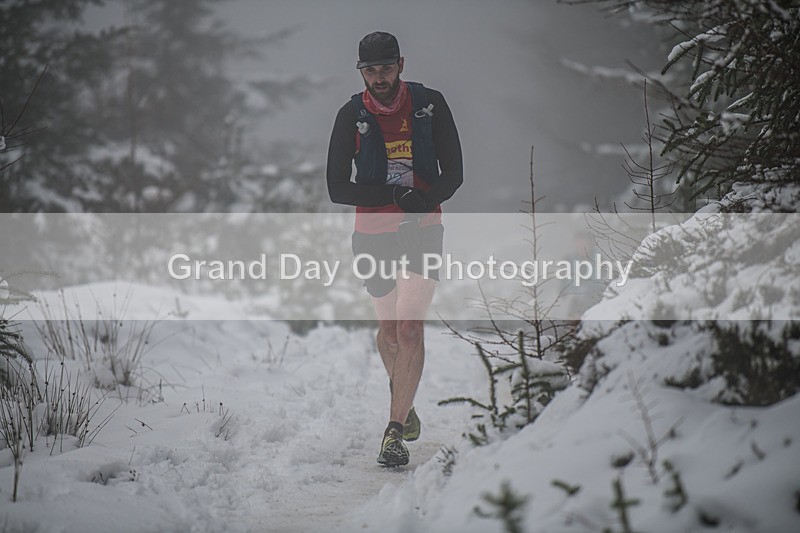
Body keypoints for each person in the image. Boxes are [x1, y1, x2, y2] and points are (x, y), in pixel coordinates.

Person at [326, 31, 463, 467]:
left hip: (422, 227)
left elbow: (454, 172)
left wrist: (421, 201)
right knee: (388, 333)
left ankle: (393, 431)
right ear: (362, 71)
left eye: (386, 68)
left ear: (401, 65)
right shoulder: (351, 116)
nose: (379, 78)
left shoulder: (430, 104)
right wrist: (391, 194)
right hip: (372, 232)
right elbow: (335, 188)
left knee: (409, 330)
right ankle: (405, 403)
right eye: (371, 70)